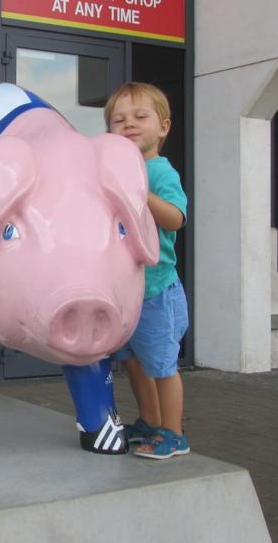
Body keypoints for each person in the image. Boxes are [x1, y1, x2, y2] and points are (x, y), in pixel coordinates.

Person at [106, 82, 190, 459]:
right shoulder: (115, 172)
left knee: (161, 366)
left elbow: (175, 219)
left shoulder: (159, 172)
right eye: (119, 120)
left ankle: (174, 434)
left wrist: (140, 192)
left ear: (164, 127)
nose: (129, 124)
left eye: (141, 117)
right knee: (134, 364)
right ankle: (150, 422)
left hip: (157, 292)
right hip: (127, 293)